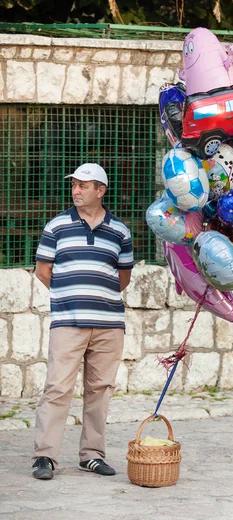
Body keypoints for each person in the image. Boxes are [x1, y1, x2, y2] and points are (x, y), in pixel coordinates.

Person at [32, 163, 134, 480]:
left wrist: (97, 298)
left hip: (109, 324)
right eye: (74, 185)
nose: (76, 190)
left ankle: (91, 455)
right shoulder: (57, 227)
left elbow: (124, 277)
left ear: (100, 190)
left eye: (83, 185)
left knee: (100, 390)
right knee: (57, 388)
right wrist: (71, 296)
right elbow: (42, 271)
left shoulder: (120, 231)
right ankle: (44, 457)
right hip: (68, 321)